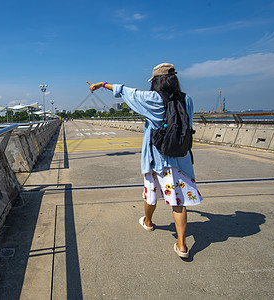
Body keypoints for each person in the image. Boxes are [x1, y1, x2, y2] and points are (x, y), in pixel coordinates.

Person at [87, 63, 203, 259]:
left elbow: (125, 91)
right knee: (178, 203)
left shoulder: (152, 99)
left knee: (151, 194)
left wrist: (102, 84)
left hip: (156, 159)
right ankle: (182, 245)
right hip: (180, 159)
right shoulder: (187, 99)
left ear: (156, 81)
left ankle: (148, 222)